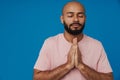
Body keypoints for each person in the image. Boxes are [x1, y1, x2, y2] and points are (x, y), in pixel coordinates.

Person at [33, 1, 113, 80]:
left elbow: (109, 78)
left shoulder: (97, 45)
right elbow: (37, 78)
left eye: (80, 16)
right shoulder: (50, 43)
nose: (76, 19)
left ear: (85, 18)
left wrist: (81, 65)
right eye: (70, 16)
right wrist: (68, 65)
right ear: (62, 19)